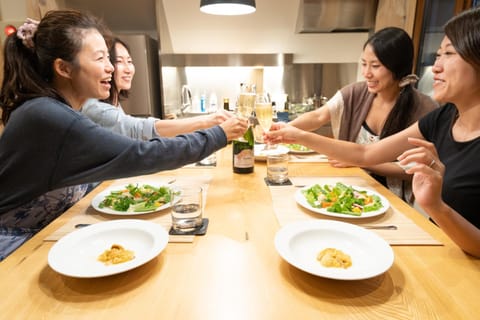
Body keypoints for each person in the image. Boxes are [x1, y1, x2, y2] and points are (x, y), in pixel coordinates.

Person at [0, 10, 247, 260]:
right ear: (63, 68)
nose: (111, 68)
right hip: (15, 250)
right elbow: (140, 154)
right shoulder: (48, 115)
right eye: (99, 59)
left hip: (46, 236)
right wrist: (217, 135)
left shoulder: (55, 109)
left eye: (109, 58)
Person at [265, 7, 480, 258]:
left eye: (449, 54)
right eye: (438, 54)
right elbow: (367, 153)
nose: (435, 67)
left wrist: (436, 206)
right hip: (439, 248)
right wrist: (297, 134)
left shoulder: (424, 107)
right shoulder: (443, 117)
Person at [289, 27, 438, 203]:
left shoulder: (424, 108)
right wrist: (283, 130)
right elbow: (318, 117)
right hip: (348, 188)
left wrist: (359, 161)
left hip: (392, 200)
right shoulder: (356, 93)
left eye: (375, 66)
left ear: (398, 68)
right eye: (364, 63)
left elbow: (416, 169)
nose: (366, 73)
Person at [81, 37, 233, 139]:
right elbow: (138, 129)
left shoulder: (113, 105)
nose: (128, 69)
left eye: (130, 61)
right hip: (100, 187)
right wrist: (208, 121)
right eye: (119, 61)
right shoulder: (96, 109)